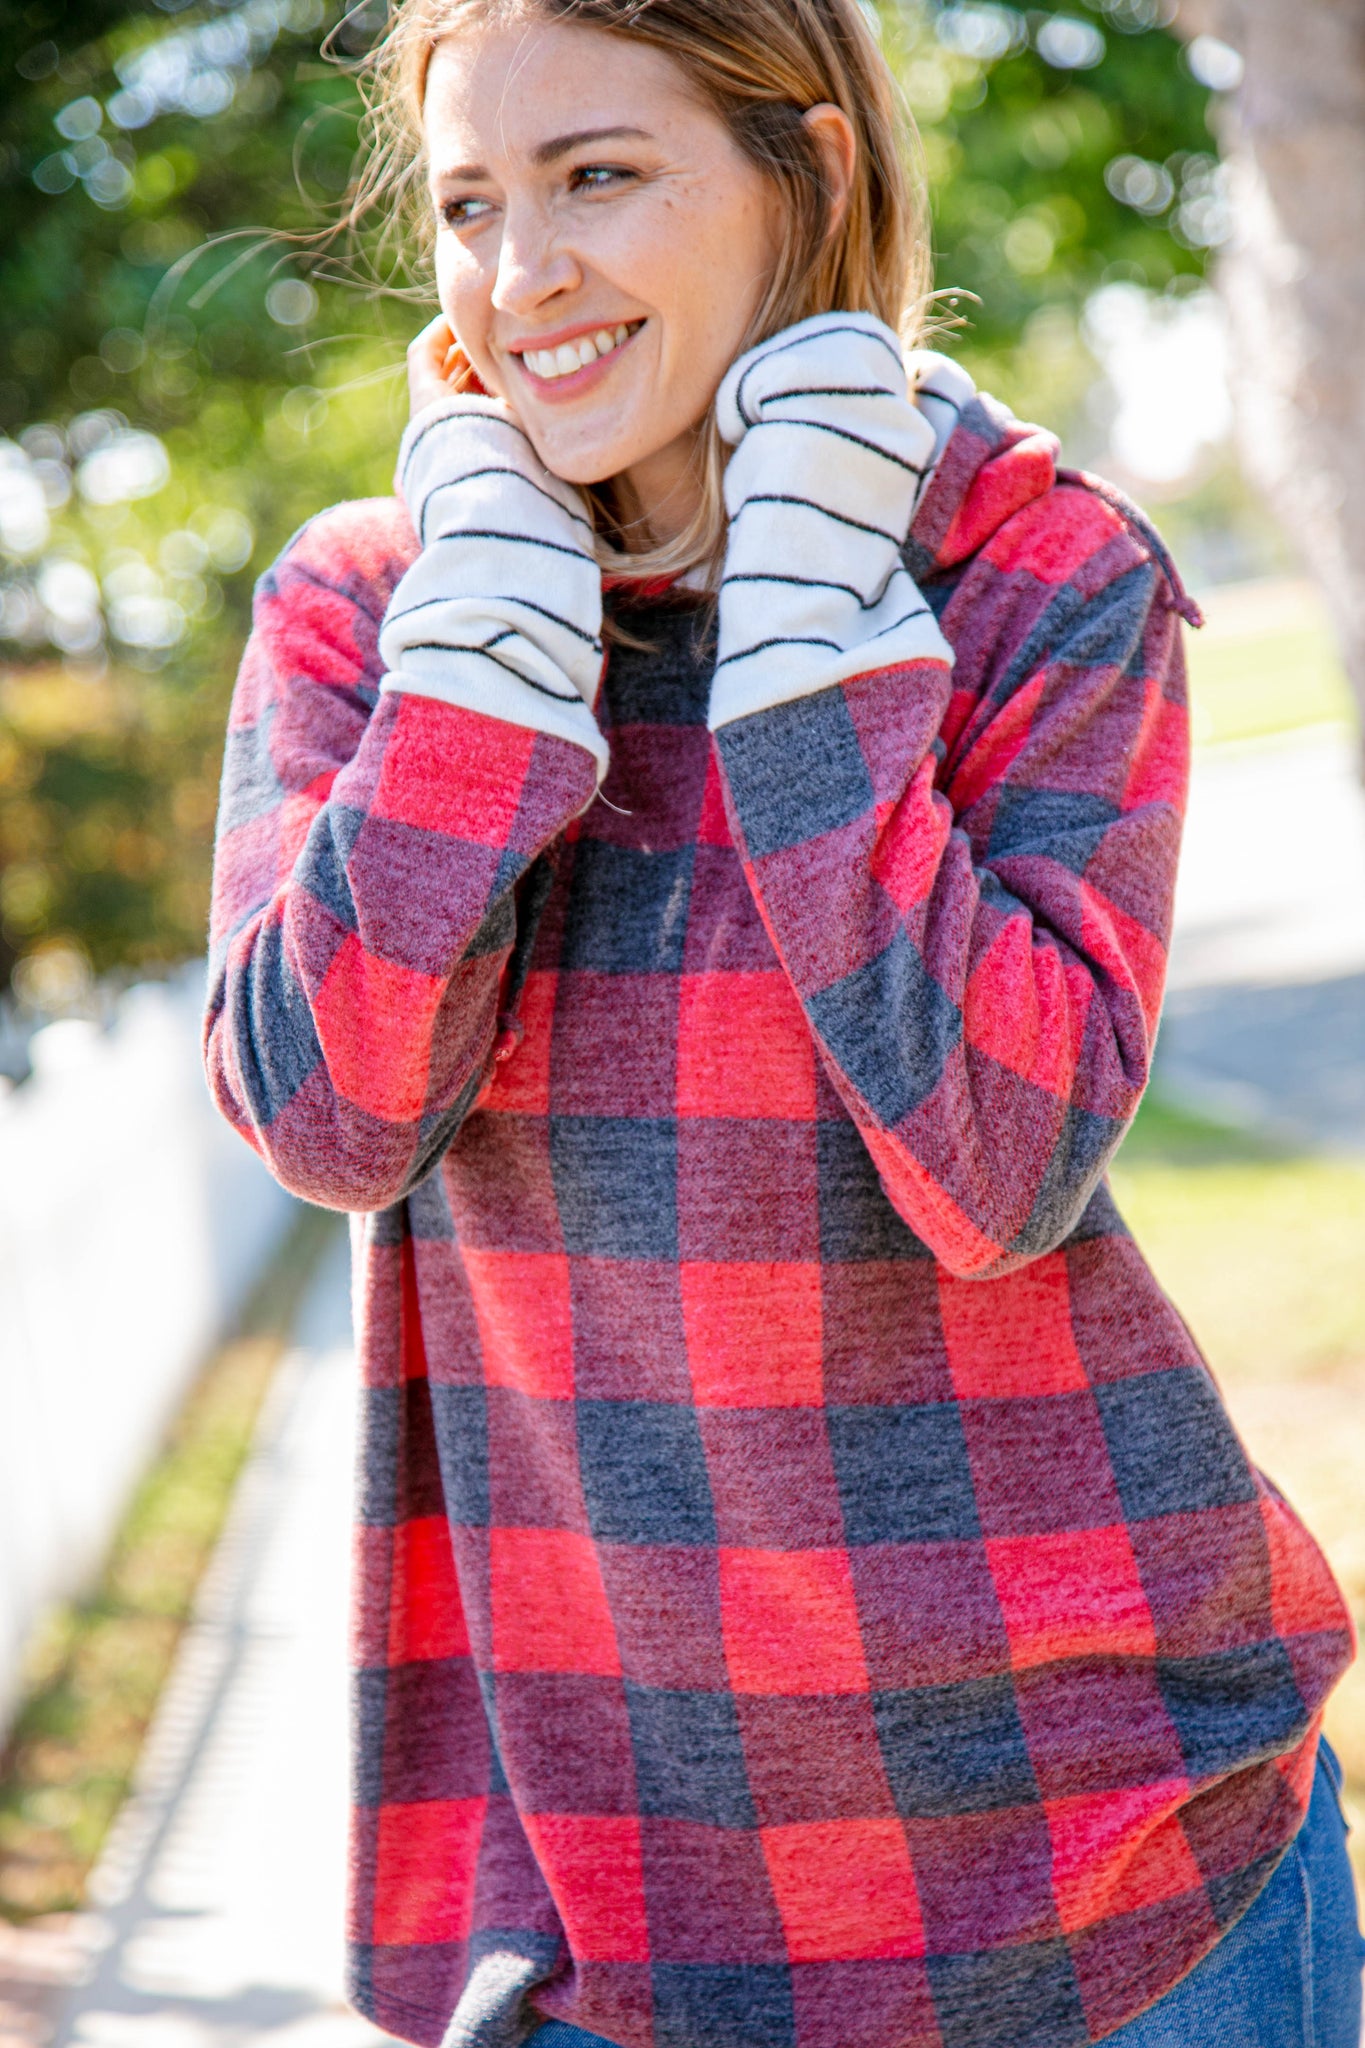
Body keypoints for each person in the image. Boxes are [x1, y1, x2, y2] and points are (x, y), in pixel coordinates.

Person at [204, 2, 1362, 2044]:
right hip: (615, 1895)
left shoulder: (1025, 575)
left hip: (1105, 1877)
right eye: (471, 203)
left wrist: (820, 666)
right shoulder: (362, 614)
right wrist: (474, 692)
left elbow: (997, 1162)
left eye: (599, 176)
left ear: (804, 172)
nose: (519, 272)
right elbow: (326, 1114)